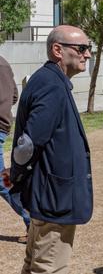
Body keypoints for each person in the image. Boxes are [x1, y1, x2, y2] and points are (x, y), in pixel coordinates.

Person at [4, 25, 93, 274]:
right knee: (48, 268)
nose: (87, 54)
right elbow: (29, 144)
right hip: (54, 198)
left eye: (89, 48)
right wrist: (18, 175)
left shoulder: (49, 79)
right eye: (82, 48)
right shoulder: (51, 84)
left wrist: (17, 172)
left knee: (35, 265)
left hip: (49, 194)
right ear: (58, 50)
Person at [0, 55, 30, 243]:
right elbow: (14, 96)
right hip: (2, 127)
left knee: (2, 180)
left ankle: (33, 219)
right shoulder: (3, 62)